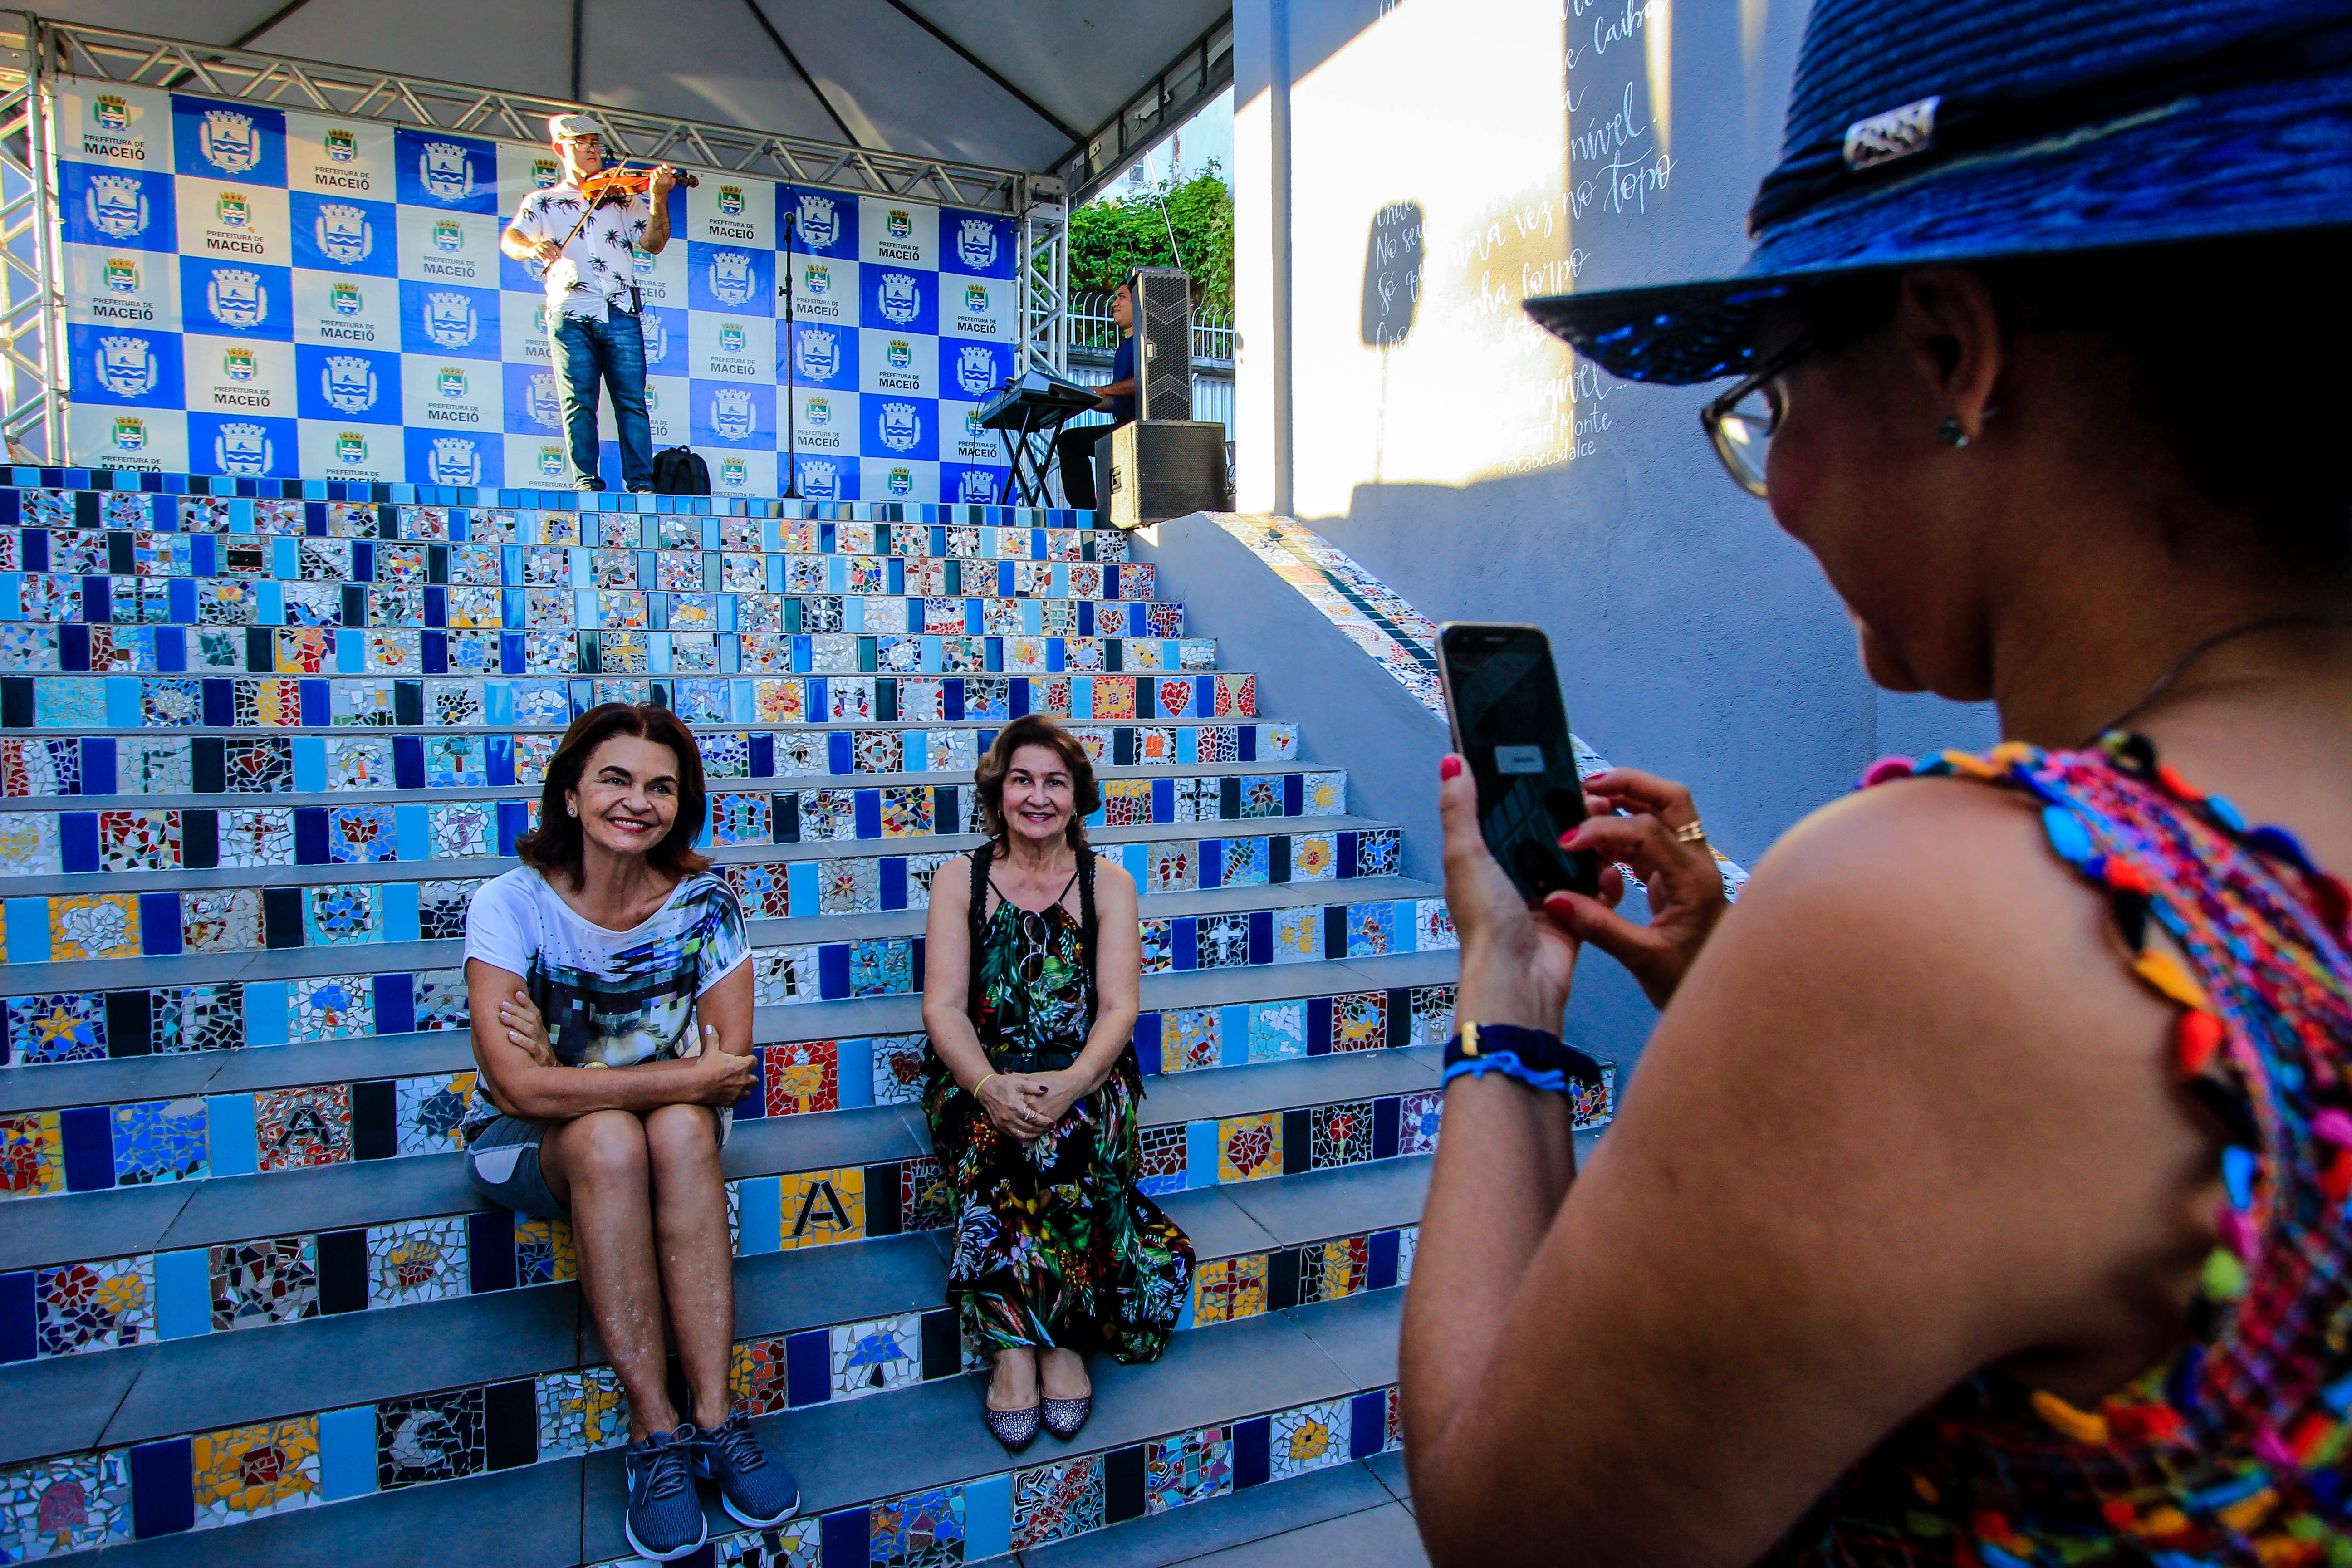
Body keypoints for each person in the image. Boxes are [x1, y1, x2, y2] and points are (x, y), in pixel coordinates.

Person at [1399, 2, 2352, 1565]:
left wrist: (1506, 983)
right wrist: (1737, 988)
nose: (1776, 485)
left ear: (1950, 353)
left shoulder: (1934, 916)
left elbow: (1512, 1532)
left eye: (1771, 397)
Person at [461, 703, 796, 1562]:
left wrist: (568, 1075)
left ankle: (714, 1419)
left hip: (663, 1140)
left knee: (679, 1131)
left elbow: (729, 1071)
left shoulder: (705, 905)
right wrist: (672, 1077)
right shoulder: (511, 904)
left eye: (660, 787)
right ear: (571, 794)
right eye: (615, 779)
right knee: (614, 1137)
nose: (637, 802)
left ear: (681, 806)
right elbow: (515, 1088)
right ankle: (654, 1432)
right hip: (524, 1145)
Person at [919, 714, 1195, 1447]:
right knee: (999, 1139)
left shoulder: (1109, 884)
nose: (1037, 797)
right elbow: (943, 1006)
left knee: (1063, 1137)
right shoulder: (959, 880)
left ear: (1076, 798)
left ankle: (1063, 1338)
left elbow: (1119, 1008)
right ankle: (1015, 1349)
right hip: (982, 1072)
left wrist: (1073, 1081)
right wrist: (986, 1085)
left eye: (1054, 782)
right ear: (997, 792)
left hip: (1086, 1072)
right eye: (1021, 781)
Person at [499, 113, 675, 494]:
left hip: (619, 309)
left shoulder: (622, 197)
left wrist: (659, 197)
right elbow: (511, 239)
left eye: (596, 142)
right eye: (582, 143)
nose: (593, 149)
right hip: (570, 311)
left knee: (632, 402)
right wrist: (533, 246)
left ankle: (641, 483)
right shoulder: (543, 201)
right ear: (560, 148)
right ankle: (586, 482)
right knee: (578, 401)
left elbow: (654, 243)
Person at [1052, 280, 1137, 511]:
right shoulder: (1124, 348)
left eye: (1122, 297)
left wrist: (1105, 390)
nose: (1115, 303)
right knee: (1069, 440)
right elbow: (1115, 402)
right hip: (1123, 423)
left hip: (1139, 426)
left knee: (1070, 442)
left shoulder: (1146, 342)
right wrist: (1087, 398)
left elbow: (1147, 382)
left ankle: (1084, 509)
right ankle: (1085, 509)